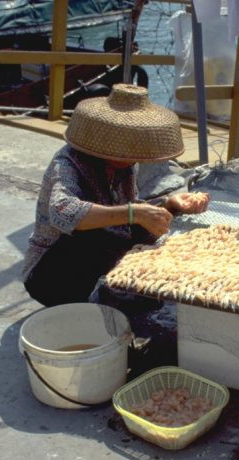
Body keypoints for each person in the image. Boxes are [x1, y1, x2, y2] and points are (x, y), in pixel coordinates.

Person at [22, 84, 208, 307]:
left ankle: (116, 290)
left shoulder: (126, 166)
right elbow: (63, 212)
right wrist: (134, 212)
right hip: (49, 273)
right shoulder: (67, 163)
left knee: (138, 230)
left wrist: (168, 205)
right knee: (96, 235)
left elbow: (127, 212)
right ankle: (91, 300)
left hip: (96, 259)